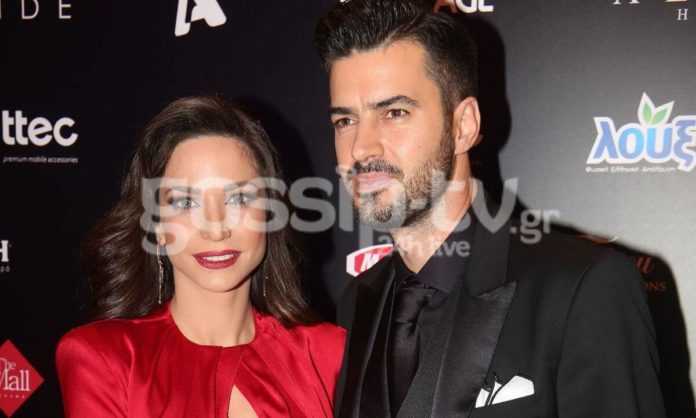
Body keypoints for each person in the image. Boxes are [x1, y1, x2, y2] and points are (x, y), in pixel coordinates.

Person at [314, 1, 666, 417]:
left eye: (394, 113)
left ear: (463, 125)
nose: (361, 148)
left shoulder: (583, 289)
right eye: (345, 121)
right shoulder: (357, 301)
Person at [55, 97, 345, 418]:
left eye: (238, 199)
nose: (216, 229)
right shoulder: (105, 359)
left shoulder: (329, 355)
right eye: (185, 203)